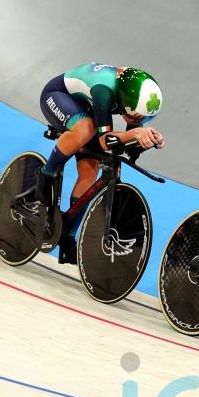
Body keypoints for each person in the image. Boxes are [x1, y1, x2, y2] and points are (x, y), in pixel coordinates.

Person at [36, 62, 165, 264]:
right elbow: (105, 141)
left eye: (144, 118)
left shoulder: (132, 96)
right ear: (124, 101)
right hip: (57, 95)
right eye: (136, 115)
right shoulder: (103, 89)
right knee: (85, 129)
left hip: (86, 107)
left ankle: (68, 235)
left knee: (90, 174)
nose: (137, 120)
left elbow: (125, 141)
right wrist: (134, 133)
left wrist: (146, 140)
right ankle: (46, 174)